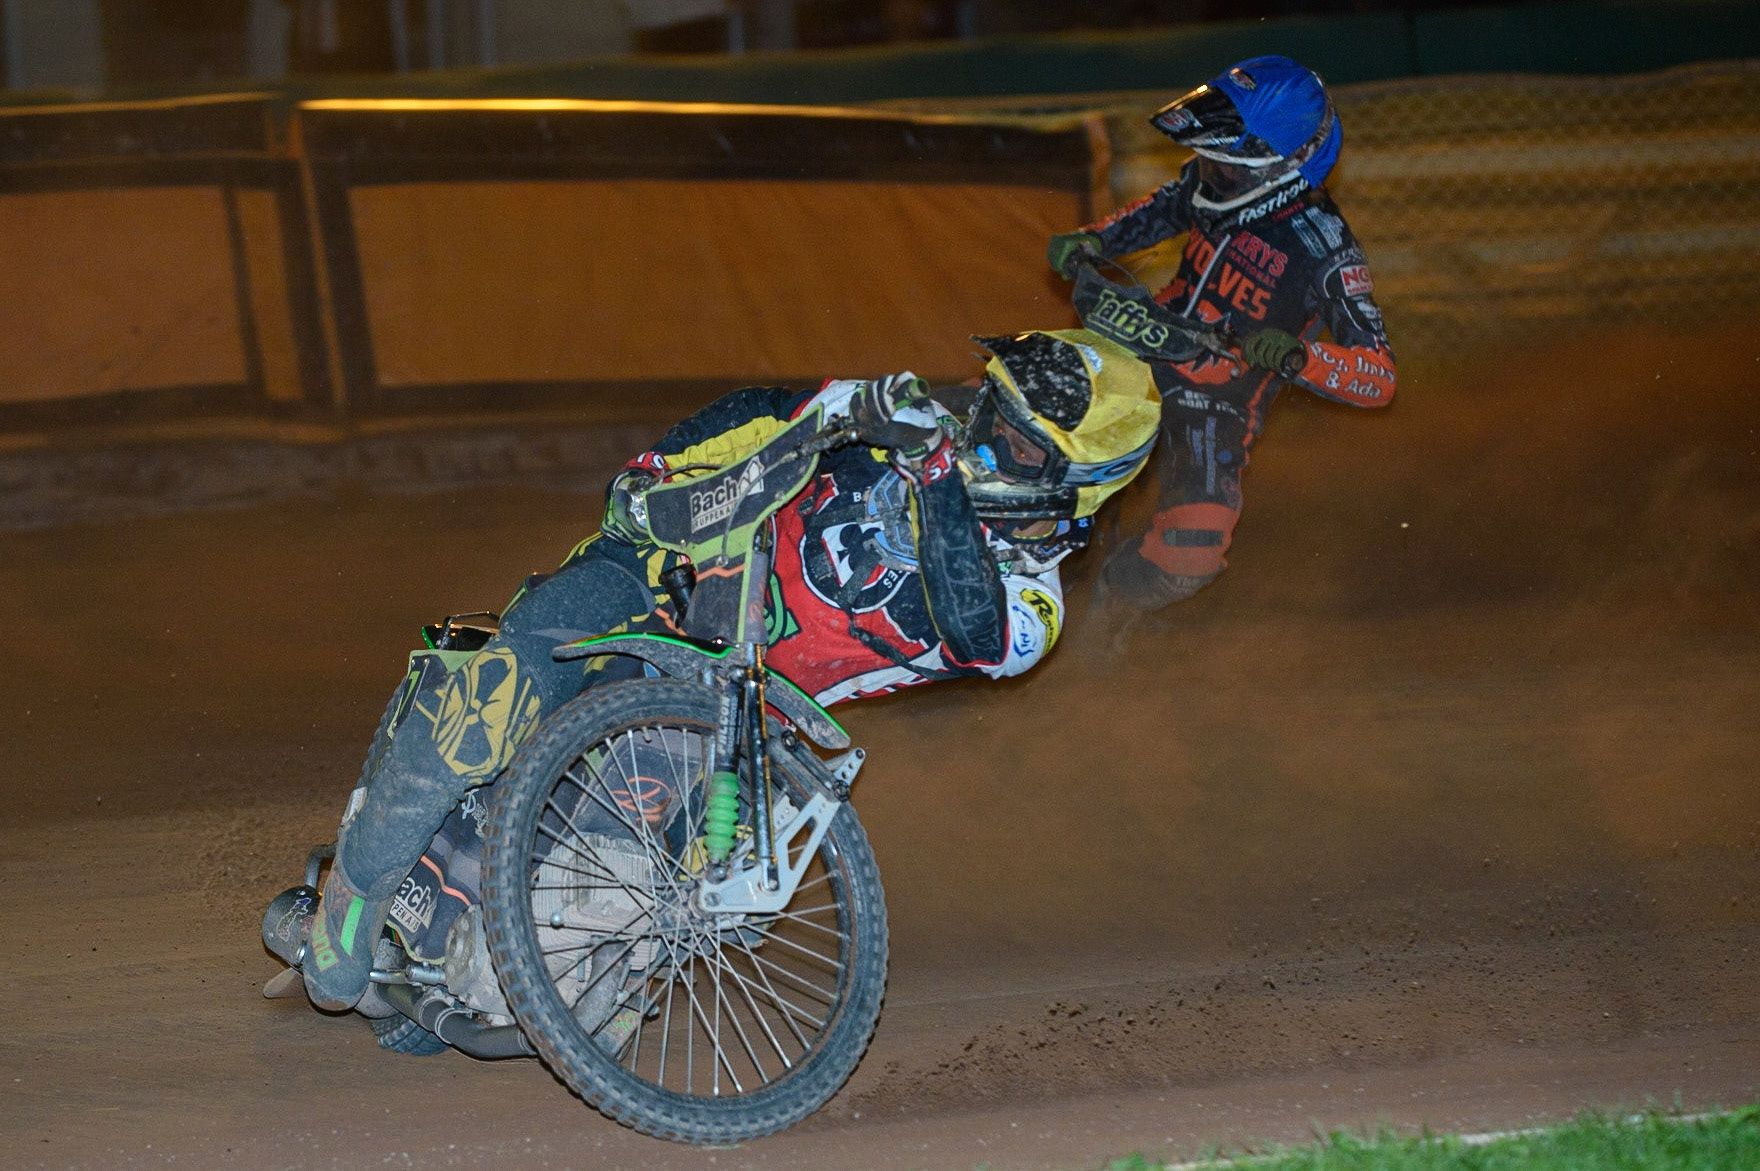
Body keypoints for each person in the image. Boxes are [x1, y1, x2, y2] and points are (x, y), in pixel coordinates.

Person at [300, 328, 1162, 1011]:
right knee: (492, 698)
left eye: (1014, 439)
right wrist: (666, 468)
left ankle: (516, 961)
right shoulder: (910, 428)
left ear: (1080, 481)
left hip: (734, 712)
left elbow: (973, 626)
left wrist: (932, 470)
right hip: (656, 585)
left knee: (544, 965)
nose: (979, 434)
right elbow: (760, 410)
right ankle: (357, 887)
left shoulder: (1029, 606)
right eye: (989, 406)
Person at [1046, 55, 1396, 611]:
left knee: (1191, 555)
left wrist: (1300, 358)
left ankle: (1109, 610)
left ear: (1281, 168)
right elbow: (1166, 207)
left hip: (1220, 397)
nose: (1209, 176)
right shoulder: (1212, 180)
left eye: (1225, 167)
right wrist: (1095, 241)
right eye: (1205, 162)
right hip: (1145, 336)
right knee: (1028, 400)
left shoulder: (1326, 249)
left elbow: (1380, 377)